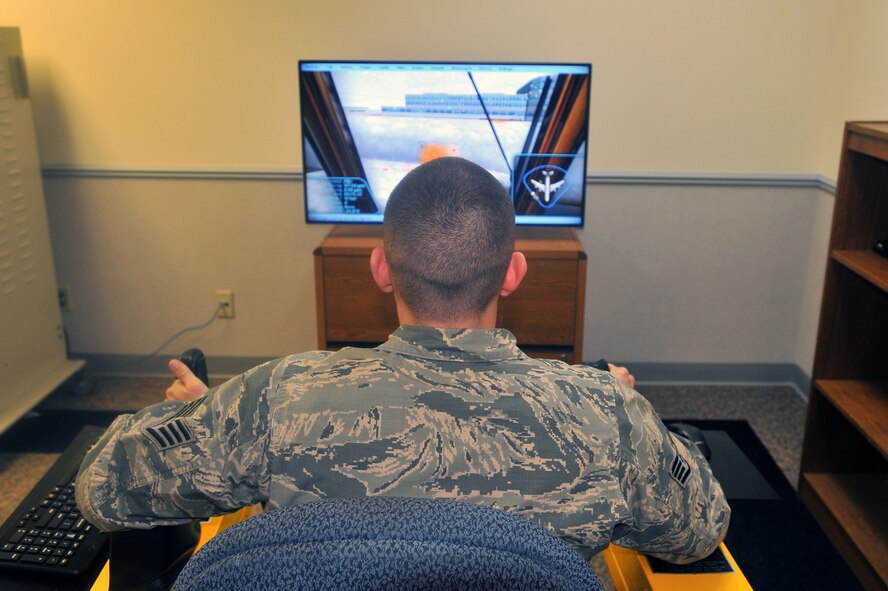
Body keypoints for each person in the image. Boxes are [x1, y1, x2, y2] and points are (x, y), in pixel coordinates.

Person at [75, 157, 729, 564]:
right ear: (515, 272)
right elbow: (702, 525)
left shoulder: (273, 397)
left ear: (381, 268)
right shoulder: (605, 413)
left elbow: (101, 484)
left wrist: (196, 417)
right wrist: (638, 416)